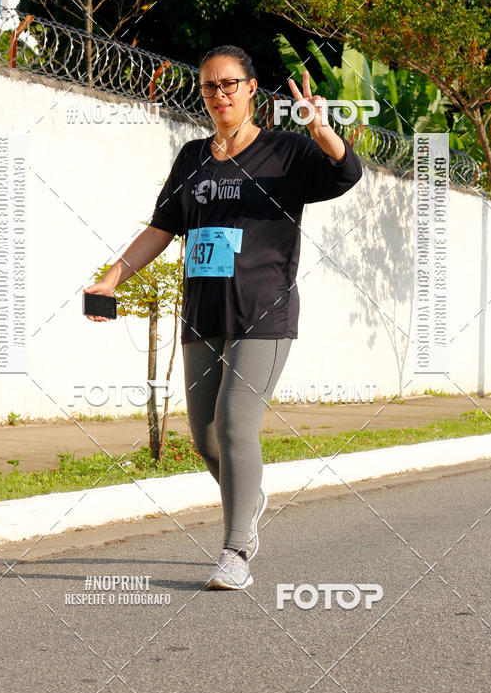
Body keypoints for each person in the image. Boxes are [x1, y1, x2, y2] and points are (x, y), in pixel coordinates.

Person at [84, 44, 362, 590]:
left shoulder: (285, 151)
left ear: (251, 88)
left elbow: (345, 172)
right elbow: (162, 228)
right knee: (206, 436)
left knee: (236, 422)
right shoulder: (192, 157)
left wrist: (321, 129)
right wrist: (112, 278)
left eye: (229, 83)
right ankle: (248, 496)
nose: (219, 94)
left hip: (263, 311)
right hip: (203, 311)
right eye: (210, 86)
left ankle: (236, 551)